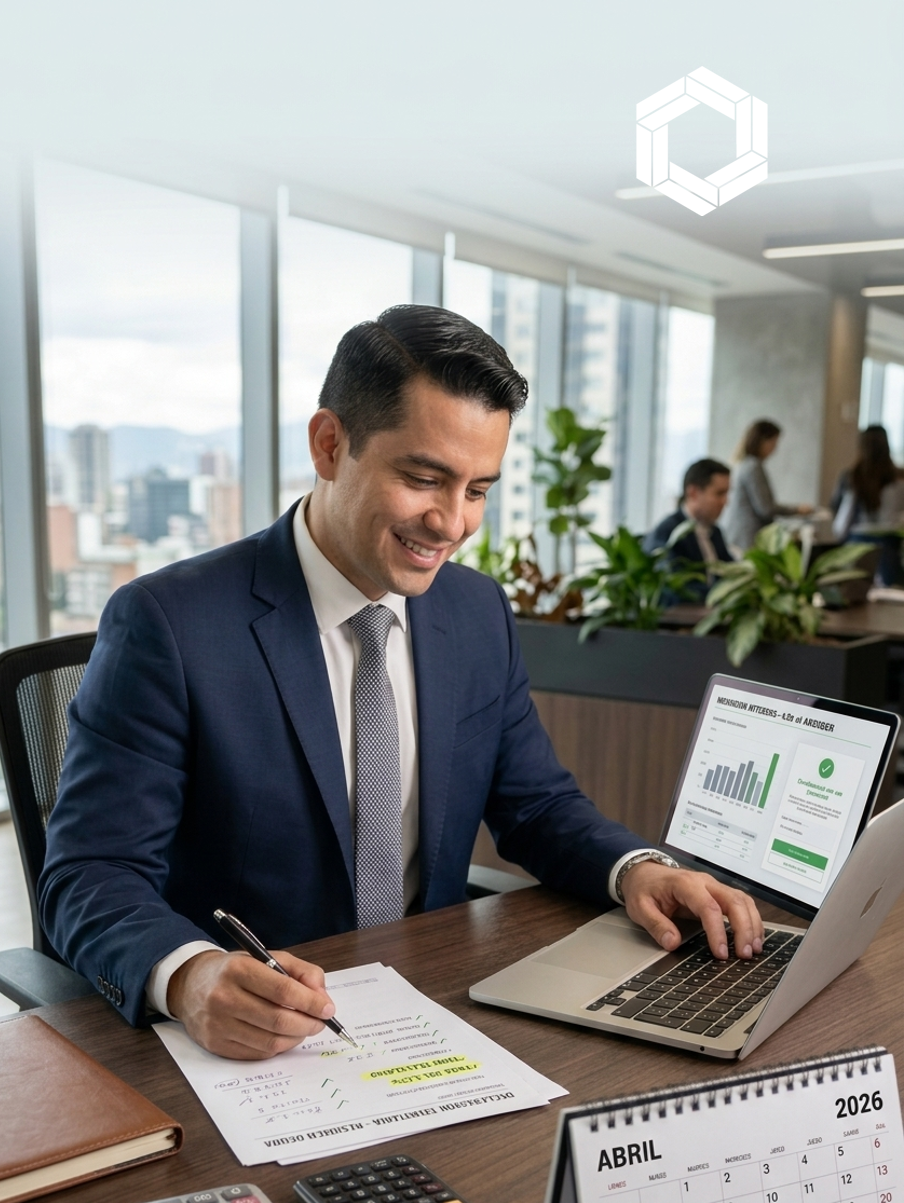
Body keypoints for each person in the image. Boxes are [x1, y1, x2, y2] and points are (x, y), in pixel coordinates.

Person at [39, 305, 763, 1062]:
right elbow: (90, 872)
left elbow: (538, 804)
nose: (451, 523)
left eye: (478, 489)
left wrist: (636, 868)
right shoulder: (171, 624)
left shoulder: (476, 610)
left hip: (432, 1013)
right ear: (329, 445)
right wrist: (188, 975)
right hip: (253, 1046)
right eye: (424, 478)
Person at [644, 458, 733, 601]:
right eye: (719, 494)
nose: (725, 502)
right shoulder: (668, 533)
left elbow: (731, 571)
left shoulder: (715, 532)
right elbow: (675, 588)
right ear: (693, 493)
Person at [721, 419, 812, 552]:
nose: (775, 449)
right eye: (774, 443)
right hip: (748, 537)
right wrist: (797, 510)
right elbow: (765, 508)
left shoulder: (742, 463)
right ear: (763, 441)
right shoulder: (753, 467)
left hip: (738, 534)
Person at [830, 425, 904, 586]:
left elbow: (835, 507)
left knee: (853, 594)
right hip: (889, 546)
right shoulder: (899, 476)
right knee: (889, 599)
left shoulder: (850, 476)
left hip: (855, 544)